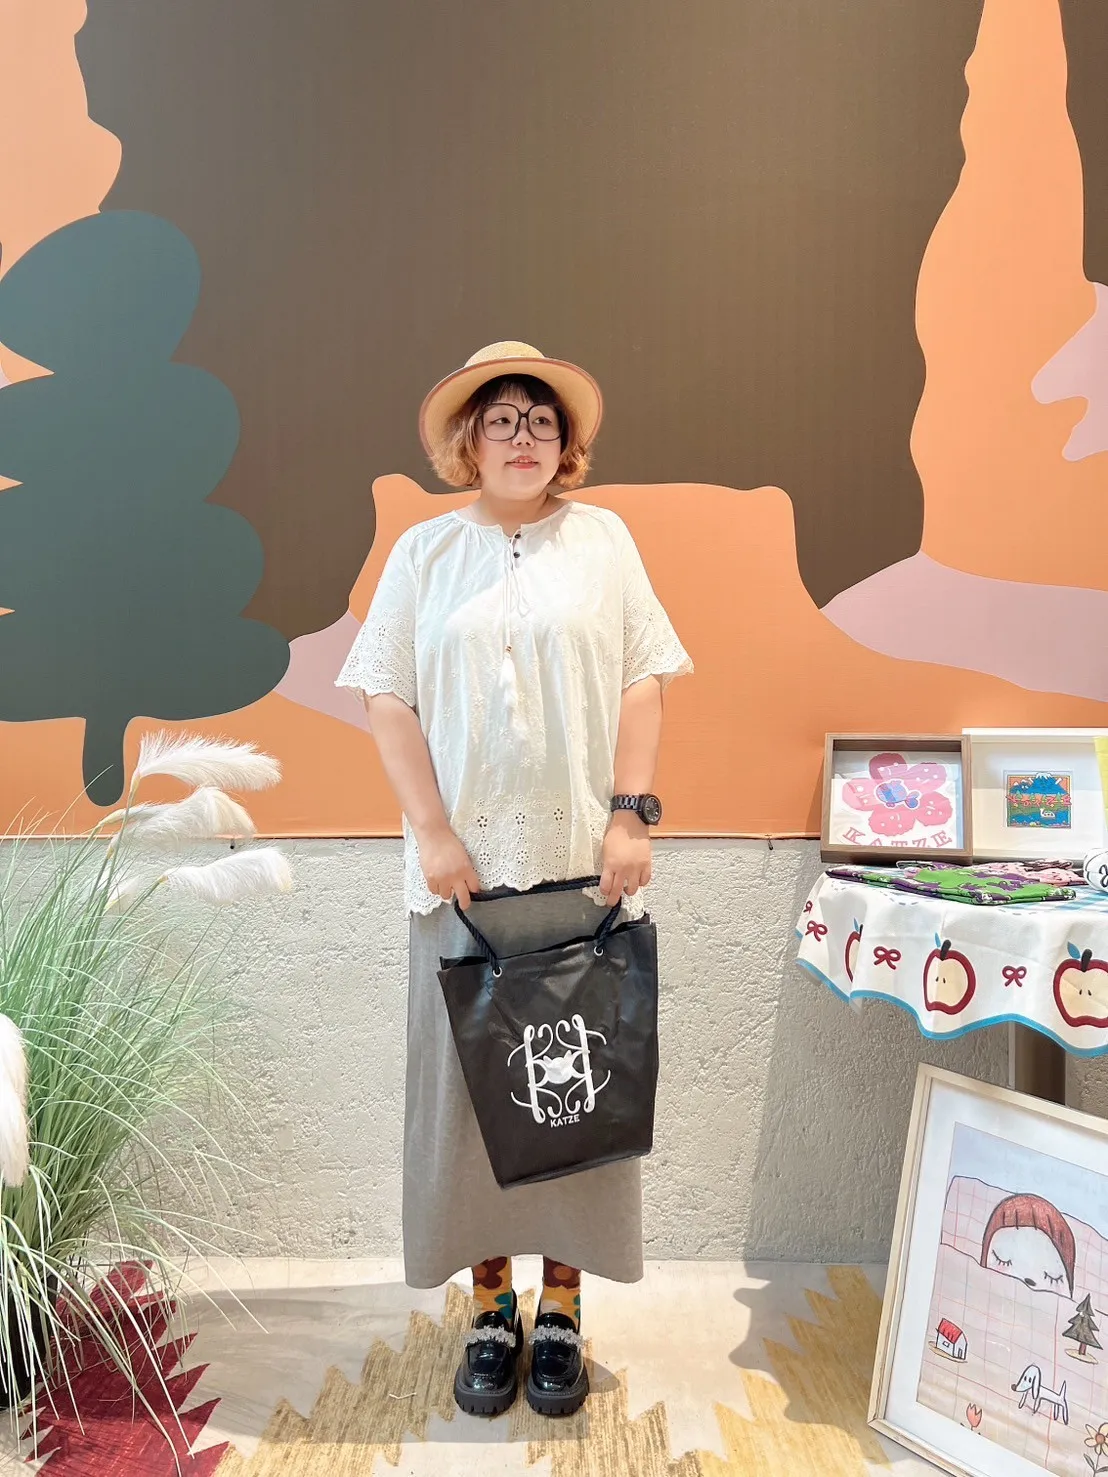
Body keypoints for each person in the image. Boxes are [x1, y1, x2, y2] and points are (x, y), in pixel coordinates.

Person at [336, 340, 692, 1418]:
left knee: (575, 1092)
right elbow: (386, 695)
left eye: (542, 419)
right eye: (502, 419)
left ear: (564, 443)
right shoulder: (424, 552)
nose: (523, 436)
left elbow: (642, 679)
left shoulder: (605, 541)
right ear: (469, 441)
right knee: (469, 1103)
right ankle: (491, 1306)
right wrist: (433, 832)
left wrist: (629, 813)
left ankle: (564, 1307)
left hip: (584, 870)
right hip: (461, 880)